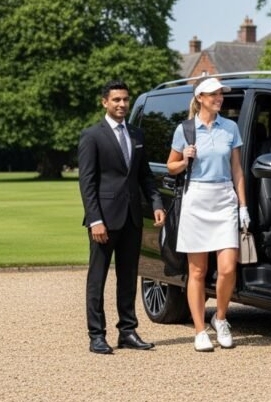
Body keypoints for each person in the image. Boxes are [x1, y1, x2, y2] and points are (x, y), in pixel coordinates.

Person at [78, 79, 165, 354]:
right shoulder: (92, 135)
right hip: (103, 220)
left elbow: (145, 176)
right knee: (98, 278)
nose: (122, 104)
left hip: (132, 218)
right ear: (105, 102)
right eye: (116, 100)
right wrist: (95, 220)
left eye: (125, 99)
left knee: (128, 276)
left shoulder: (137, 135)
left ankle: (127, 331)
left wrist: (156, 203)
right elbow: (87, 183)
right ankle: (96, 335)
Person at [166, 77, 249, 351]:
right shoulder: (185, 129)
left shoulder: (231, 128)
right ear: (200, 97)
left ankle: (221, 318)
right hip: (196, 198)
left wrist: (243, 206)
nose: (219, 98)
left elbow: (237, 169)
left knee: (227, 267)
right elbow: (171, 167)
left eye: (220, 95)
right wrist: (185, 158)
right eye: (213, 94)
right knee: (198, 270)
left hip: (224, 198)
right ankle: (200, 330)